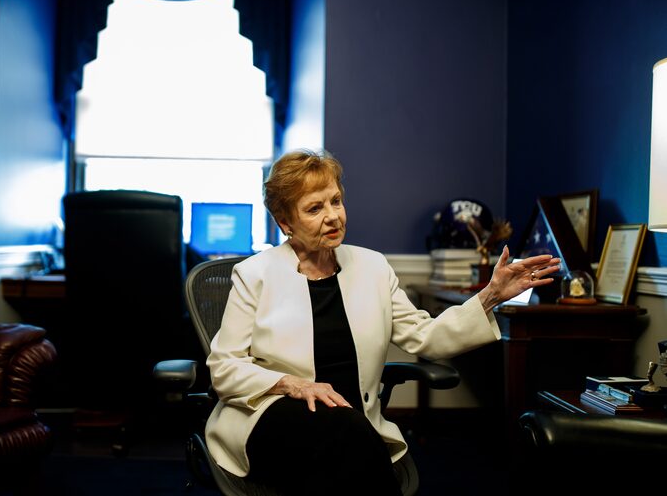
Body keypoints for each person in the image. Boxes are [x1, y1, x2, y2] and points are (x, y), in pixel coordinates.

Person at [205, 149, 560, 495]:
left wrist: (491, 296)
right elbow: (224, 368)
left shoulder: (373, 268)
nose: (333, 216)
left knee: (343, 453)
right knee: (346, 448)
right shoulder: (255, 275)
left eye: (336, 201)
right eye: (315, 208)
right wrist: (293, 384)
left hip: (353, 423)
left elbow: (426, 336)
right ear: (286, 223)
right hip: (272, 417)